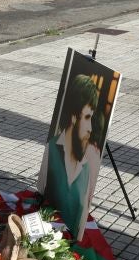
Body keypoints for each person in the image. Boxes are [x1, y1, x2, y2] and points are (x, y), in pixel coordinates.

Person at [40, 74, 104, 241]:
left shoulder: (87, 165)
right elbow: (39, 198)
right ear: (74, 117)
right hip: (47, 236)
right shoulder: (53, 149)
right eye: (87, 117)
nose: (90, 128)